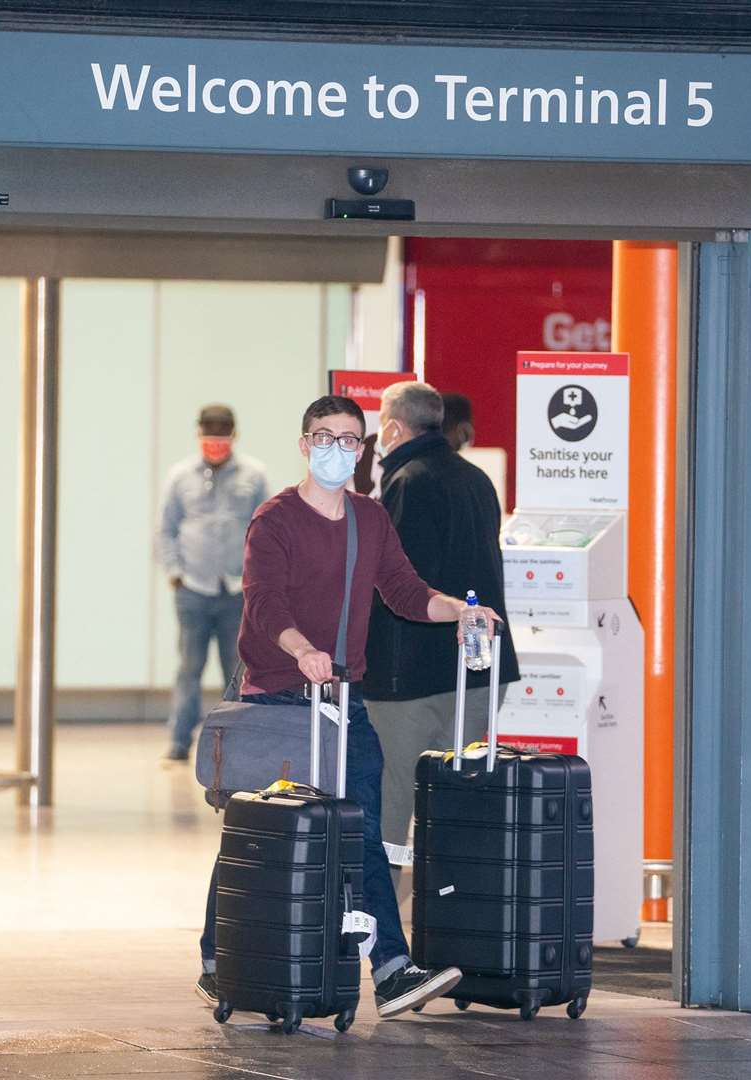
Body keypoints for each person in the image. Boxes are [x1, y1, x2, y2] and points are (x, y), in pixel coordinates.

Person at [197, 394, 501, 1019]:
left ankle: (390, 968)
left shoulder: (369, 519)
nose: (338, 449)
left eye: (349, 440)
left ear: (363, 449)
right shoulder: (274, 520)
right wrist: (302, 650)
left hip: (341, 699)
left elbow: (406, 592)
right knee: (259, 830)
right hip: (278, 695)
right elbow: (264, 605)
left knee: (357, 823)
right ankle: (216, 956)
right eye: (325, 437)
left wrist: (459, 610)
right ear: (305, 445)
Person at [362, 381, 520, 851]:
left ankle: (383, 909)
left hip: (412, 677)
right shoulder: (474, 479)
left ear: (393, 426)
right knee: (454, 797)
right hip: (478, 668)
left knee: (394, 796)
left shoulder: (408, 483)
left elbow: (399, 584)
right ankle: (451, 900)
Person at [158, 405, 268, 761]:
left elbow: (266, 529)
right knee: (189, 667)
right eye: (209, 436)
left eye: (222, 436)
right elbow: (166, 529)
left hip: (237, 591)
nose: (215, 443)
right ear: (198, 434)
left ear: (234, 436)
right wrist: (176, 574)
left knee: (235, 669)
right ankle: (179, 741)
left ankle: (233, 742)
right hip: (193, 589)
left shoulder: (254, 475)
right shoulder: (180, 476)